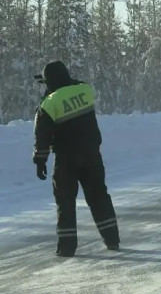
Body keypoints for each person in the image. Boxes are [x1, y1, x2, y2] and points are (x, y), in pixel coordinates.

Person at [32, 61, 120, 257]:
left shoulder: (48, 104)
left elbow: (42, 136)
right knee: (99, 197)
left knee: (65, 202)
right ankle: (112, 240)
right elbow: (74, 84)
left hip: (66, 160)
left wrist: (40, 160)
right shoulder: (84, 90)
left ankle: (66, 247)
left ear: (49, 82)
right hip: (92, 155)